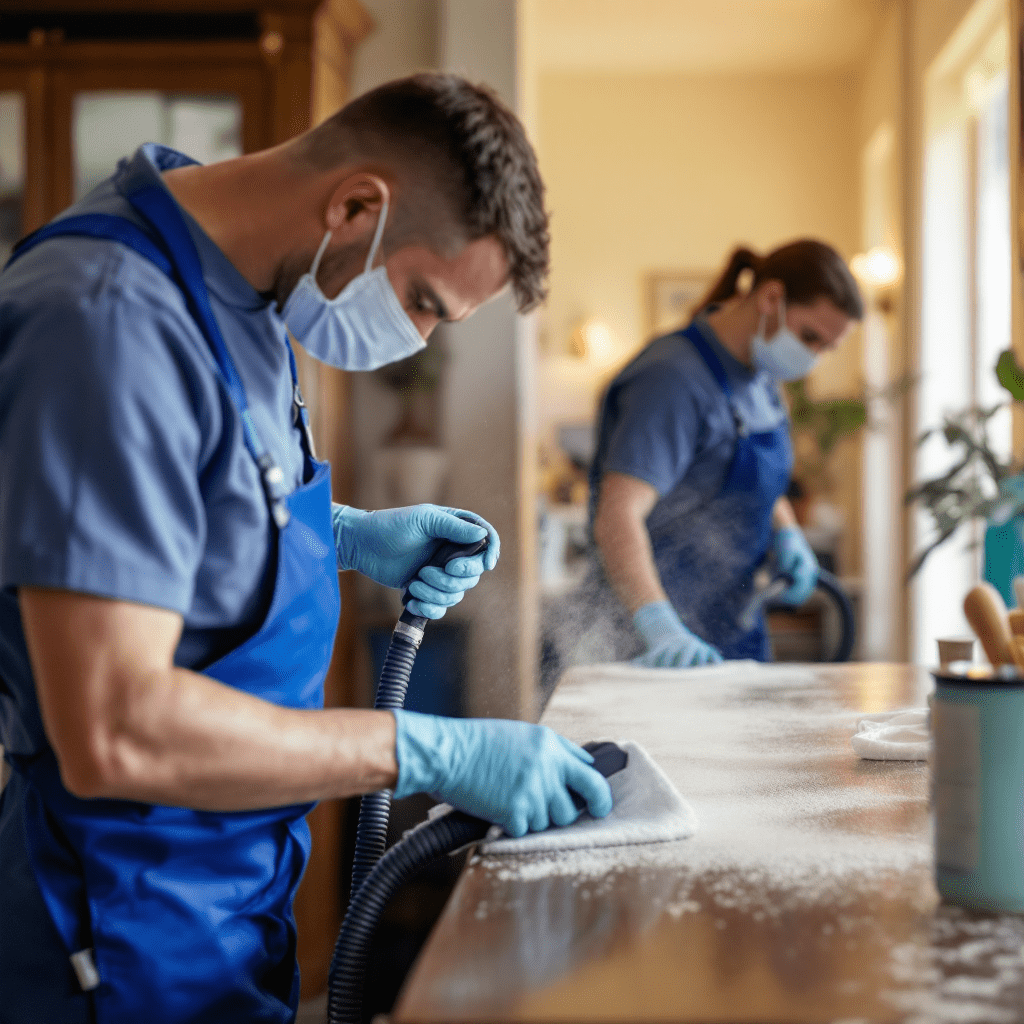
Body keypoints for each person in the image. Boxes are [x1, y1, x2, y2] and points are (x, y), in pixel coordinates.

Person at [0, 74, 612, 1024]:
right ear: (356, 205)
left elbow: (197, 515)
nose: (414, 341)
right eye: (422, 302)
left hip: (231, 895)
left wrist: (352, 537)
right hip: (123, 919)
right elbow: (112, 728)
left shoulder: (248, 290)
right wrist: (423, 749)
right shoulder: (108, 321)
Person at [543, 241, 862, 687]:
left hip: (733, 628)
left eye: (825, 347)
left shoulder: (761, 377)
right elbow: (618, 514)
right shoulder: (671, 379)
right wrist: (659, 628)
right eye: (810, 337)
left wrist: (787, 531)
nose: (812, 357)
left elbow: (750, 480)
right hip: (656, 644)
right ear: (771, 299)